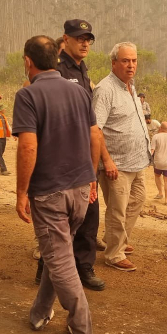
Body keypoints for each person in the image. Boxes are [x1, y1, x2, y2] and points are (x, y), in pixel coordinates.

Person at [13, 35, 99, 334]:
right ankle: (40, 313)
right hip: (79, 190)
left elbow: (27, 147)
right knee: (58, 252)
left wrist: (22, 192)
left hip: (50, 192)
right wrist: (92, 178)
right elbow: (94, 137)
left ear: (28, 61)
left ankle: (82, 326)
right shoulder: (79, 91)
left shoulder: (28, 95)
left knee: (60, 259)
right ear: (57, 56)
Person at [51, 18, 106, 291]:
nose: (85, 43)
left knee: (89, 212)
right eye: (80, 38)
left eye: (89, 39)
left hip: (85, 156)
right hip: (64, 156)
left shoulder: (82, 69)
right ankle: (50, 270)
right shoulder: (56, 69)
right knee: (60, 214)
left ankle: (84, 267)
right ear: (66, 39)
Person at [93, 42, 151, 272]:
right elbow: (96, 129)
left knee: (137, 201)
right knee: (117, 209)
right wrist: (106, 160)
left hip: (138, 160)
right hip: (116, 163)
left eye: (134, 60)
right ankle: (114, 254)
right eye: (125, 60)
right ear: (114, 62)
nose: (131, 65)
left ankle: (116, 239)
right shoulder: (105, 90)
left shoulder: (130, 86)